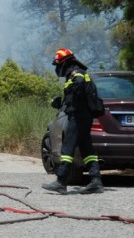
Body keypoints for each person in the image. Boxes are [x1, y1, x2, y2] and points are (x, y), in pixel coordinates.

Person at [42, 48, 104, 195]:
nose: (57, 68)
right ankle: (96, 181)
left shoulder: (77, 74)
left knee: (68, 148)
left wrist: (74, 105)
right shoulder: (76, 75)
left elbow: (79, 89)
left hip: (79, 116)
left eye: (58, 65)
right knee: (87, 149)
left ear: (64, 63)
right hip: (84, 116)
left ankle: (61, 181)